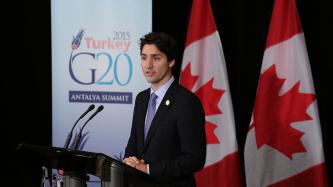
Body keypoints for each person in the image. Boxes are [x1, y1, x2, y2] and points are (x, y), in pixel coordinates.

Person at [123, 32, 206, 187]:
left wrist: (148, 168)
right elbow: (134, 143)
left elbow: (194, 159)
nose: (148, 65)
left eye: (156, 58)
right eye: (143, 57)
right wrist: (130, 159)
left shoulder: (187, 102)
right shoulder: (141, 99)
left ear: (171, 61)